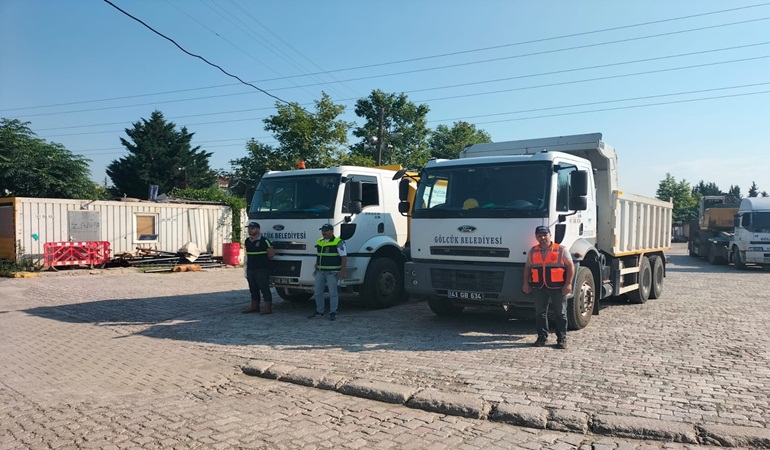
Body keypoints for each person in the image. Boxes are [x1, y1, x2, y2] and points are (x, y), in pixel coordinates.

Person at [522, 225, 575, 349]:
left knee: (560, 313)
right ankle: (542, 337)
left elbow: (570, 266)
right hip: (539, 287)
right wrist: (526, 283)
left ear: (550, 235)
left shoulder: (561, 249)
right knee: (540, 313)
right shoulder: (533, 251)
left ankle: (561, 338)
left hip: (558, 287)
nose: (543, 238)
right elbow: (528, 268)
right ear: (536, 237)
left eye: (545, 235)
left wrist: (568, 283)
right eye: (540, 236)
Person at [308, 223, 347, 321]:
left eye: (326, 231)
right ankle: (320, 311)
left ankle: (333, 312)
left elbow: (344, 257)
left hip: (332, 272)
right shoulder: (320, 241)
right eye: (322, 231)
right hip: (320, 271)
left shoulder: (338, 242)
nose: (323, 232)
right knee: (317, 292)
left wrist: (342, 270)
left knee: (333, 293)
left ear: (332, 231)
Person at [242, 221, 275, 315]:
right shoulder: (247, 241)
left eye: (252, 228)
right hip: (251, 268)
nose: (250, 230)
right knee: (253, 288)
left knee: (264, 288)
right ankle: (254, 306)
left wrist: (263, 262)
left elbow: (271, 253)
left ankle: (268, 307)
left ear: (258, 229)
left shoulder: (264, 241)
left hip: (262, 269)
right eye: (249, 228)